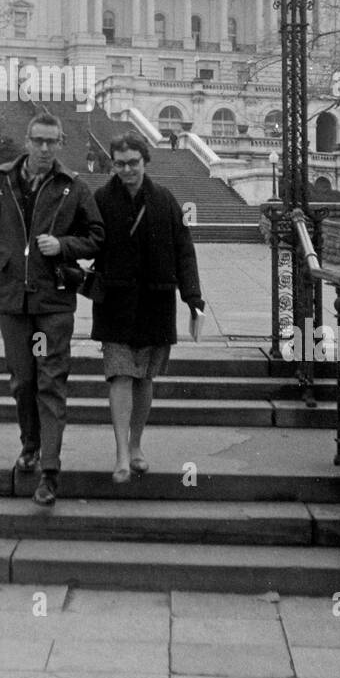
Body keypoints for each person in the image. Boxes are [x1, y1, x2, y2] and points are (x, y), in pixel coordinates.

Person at [0, 112, 104, 506]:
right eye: (38, 140)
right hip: (13, 303)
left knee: (50, 381)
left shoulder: (73, 187)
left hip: (52, 303)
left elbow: (97, 237)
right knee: (22, 380)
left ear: (61, 142)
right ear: (27, 140)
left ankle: (50, 472)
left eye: (52, 141)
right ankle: (30, 445)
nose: (44, 149)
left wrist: (64, 246)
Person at [90, 131, 204, 482]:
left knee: (145, 378)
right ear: (113, 164)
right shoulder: (100, 199)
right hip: (116, 301)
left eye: (133, 163)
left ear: (145, 162)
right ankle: (122, 452)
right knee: (120, 374)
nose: (126, 170)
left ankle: (136, 444)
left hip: (156, 300)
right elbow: (86, 240)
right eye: (120, 164)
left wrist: (193, 299)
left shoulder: (165, 199)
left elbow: (184, 250)